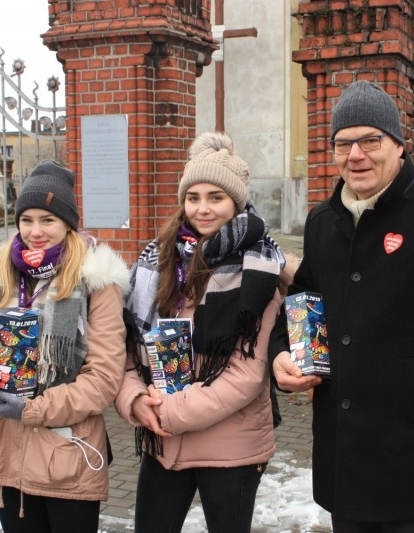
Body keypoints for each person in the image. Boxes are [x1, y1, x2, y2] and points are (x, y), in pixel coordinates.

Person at [270, 80, 414, 532]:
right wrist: (283, 352)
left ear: (399, 145)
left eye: (370, 140)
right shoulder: (323, 221)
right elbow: (302, 301)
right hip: (346, 458)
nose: (355, 154)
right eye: (343, 143)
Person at [115, 131, 288, 533]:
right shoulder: (154, 260)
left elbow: (246, 375)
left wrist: (167, 413)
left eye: (216, 198)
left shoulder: (258, 268)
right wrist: (134, 400)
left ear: (236, 203)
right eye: (193, 197)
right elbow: (123, 348)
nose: (203, 209)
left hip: (229, 447)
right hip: (162, 443)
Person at [0, 160, 130, 533]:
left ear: (68, 223)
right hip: (8, 455)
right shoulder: (2, 275)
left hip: (66, 458)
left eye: (47, 220)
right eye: (27, 219)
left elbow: (103, 381)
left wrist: (32, 409)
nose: (35, 231)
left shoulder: (97, 281)